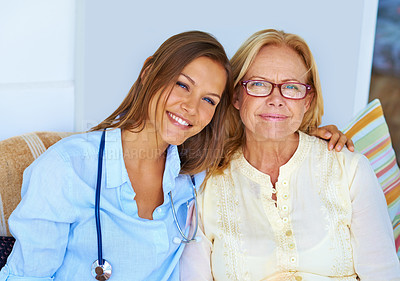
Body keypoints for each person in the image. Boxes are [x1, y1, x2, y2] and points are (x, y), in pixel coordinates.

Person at [0, 30, 350, 281]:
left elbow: (264, 135)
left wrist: (313, 134)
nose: (190, 107)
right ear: (149, 70)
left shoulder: (199, 174)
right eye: (183, 85)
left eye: (209, 100)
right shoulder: (67, 169)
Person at [180, 29, 400, 281]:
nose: (276, 99)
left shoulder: (349, 169)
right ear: (236, 96)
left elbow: (383, 274)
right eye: (259, 84)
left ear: (307, 101)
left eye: (292, 87)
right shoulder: (204, 187)